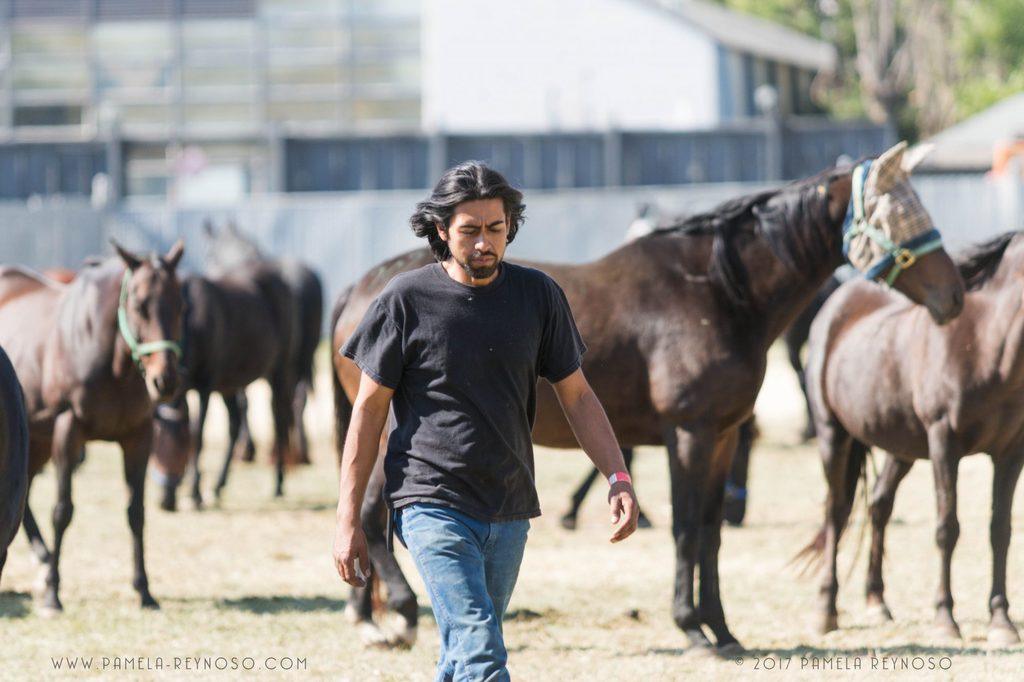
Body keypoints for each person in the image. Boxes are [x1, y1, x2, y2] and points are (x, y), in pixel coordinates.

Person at [333, 161, 639, 680]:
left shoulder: (538, 296)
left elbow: (579, 396)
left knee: (464, 650)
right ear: (440, 230)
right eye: (469, 230)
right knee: (481, 651)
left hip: (509, 506)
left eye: (496, 229)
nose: (484, 243)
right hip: (430, 502)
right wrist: (348, 518)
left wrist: (618, 476)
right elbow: (366, 411)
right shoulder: (405, 300)